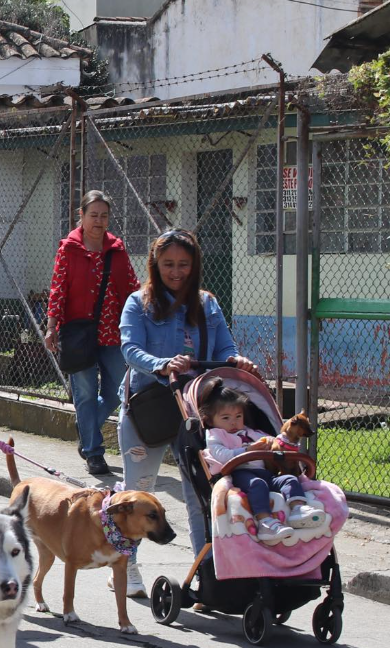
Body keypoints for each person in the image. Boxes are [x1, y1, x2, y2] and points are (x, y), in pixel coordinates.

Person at [118, 228, 257, 597]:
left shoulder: (207, 303)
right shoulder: (139, 302)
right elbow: (130, 349)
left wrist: (235, 358)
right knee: (139, 495)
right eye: (168, 265)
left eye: (183, 264)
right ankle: (127, 566)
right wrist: (163, 365)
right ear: (155, 264)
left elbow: (226, 345)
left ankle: (207, 574)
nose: (176, 272)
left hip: (195, 410)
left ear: (194, 265)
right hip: (148, 409)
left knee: (199, 495)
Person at [44, 191, 139, 475]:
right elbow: (58, 289)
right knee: (85, 394)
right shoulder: (69, 249)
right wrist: (51, 326)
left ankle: (87, 430)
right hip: (78, 334)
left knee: (120, 390)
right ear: (81, 216)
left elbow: (132, 288)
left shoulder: (117, 250)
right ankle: (94, 453)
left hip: (114, 334)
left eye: (104, 216)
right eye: (93, 215)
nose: (99, 221)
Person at [199, 380, 325, 543]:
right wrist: (248, 450)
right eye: (226, 417)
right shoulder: (215, 435)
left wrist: (278, 442)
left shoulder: (250, 432)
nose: (234, 422)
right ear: (210, 420)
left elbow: (272, 440)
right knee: (258, 484)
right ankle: (265, 521)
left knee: (290, 479)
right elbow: (222, 455)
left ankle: (298, 510)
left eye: (238, 416)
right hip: (239, 473)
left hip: (265, 472)